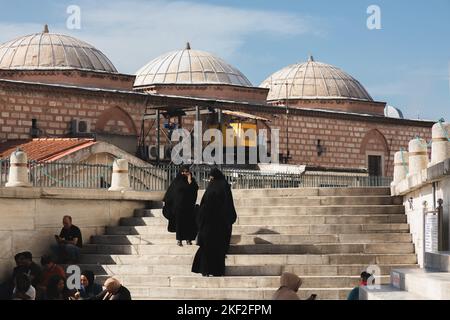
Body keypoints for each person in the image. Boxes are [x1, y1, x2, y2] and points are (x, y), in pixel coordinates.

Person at [191, 167, 237, 277]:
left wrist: (200, 220)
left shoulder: (211, 188)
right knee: (217, 249)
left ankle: (205, 270)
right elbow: (228, 205)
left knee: (207, 249)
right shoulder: (224, 186)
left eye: (211, 177)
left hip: (208, 225)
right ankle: (217, 271)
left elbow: (203, 206)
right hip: (219, 225)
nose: (211, 179)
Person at [163, 165, 199, 246]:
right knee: (179, 224)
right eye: (184, 172)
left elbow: (194, 190)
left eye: (187, 172)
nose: (185, 173)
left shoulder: (191, 181)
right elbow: (171, 193)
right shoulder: (177, 181)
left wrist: (190, 181)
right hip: (178, 208)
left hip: (189, 207)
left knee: (189, 224)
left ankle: (188, 239)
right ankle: (179, 240)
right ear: (181, 172)